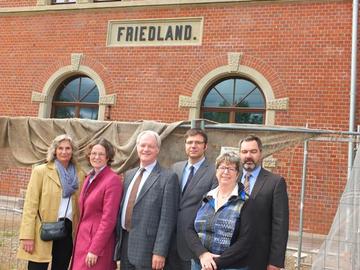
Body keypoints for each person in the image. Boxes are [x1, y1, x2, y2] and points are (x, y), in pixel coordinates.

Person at [17, 134, 86, 270]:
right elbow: (30, 205)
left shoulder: (80, 174)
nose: (64, 152)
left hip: (67, 229)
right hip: (43, 228)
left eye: (68, 148)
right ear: (54, 150)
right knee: (37, 267)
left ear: (73, 151)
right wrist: (27, 235)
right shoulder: (41, 171)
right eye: (60, 148)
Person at [114, 130, 180, 270]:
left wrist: (160, 252)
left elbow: (167, 219)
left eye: (150, 146)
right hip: (125, 243)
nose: (145, 149)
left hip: (148, 249)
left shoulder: (168, 178)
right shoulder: (129, 175)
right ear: (137, 147)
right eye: (142, 145)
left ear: (157, 149)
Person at [185, 151, 254, 270]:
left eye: (231, 169)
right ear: (216, 171)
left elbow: (246, 241)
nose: (226, 172)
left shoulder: (246, 202)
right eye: (222, 167)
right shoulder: (206, 197)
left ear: (237, 174)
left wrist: (214, 263)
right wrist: (203, 254)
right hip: (200, 263)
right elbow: (189, 229)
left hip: (230, 266)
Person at [167, 128, 217, 270]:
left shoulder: (214, 171)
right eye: (189, 142)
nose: (193, 146)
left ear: (205, 146)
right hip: (170, 240)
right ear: (185, 145)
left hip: (195, 243)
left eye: (198, 142)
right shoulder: (175, 168)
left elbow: (211, 208)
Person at [71, 138, 123, 270]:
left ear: (108, 157)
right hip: (82, 241)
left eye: (101, 154)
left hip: (97, 245)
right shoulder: (89, 177)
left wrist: (95, 249)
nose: (96, 157)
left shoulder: (113, 180)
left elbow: (109, 219)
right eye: (93, 153)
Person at [239, 135, 289, 270]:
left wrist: (276, 261)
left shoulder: (275, 182)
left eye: (253, 151)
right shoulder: (231, 178)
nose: (248, 156)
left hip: (260, 257)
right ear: (239, 154)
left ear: (261, 153)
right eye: (244, 152)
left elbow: (280, 224)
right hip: (230, 256)